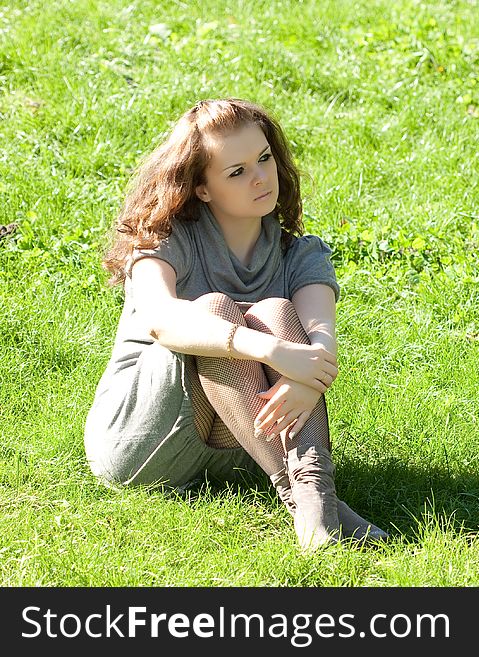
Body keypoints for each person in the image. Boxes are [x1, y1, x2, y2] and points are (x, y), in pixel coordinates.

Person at [84, 98, 387, 550]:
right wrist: (267, 350)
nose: (261, 177)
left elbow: (321, 342)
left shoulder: (299, 254)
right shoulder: (164, 241)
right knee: (213, 310)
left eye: (264, 158)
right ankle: (315, 503)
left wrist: (308, 377)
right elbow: (163, 321)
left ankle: (311, 496)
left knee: (277, 313)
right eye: (237, 171)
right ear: (202, 188)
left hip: (247, 446)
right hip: (144, 441)